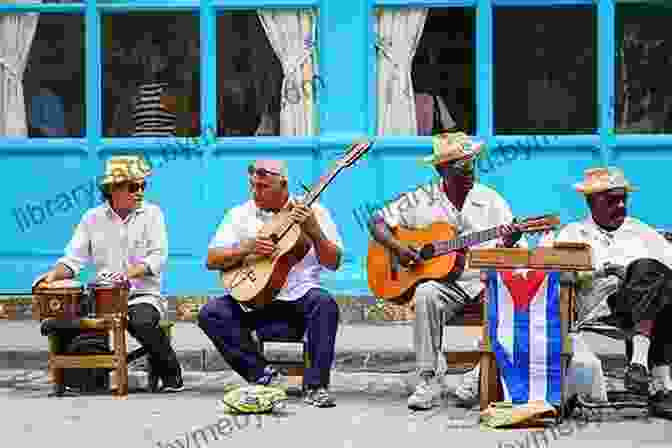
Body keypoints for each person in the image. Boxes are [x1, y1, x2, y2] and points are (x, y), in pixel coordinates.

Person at [367, 132, 524, 410]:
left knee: (514, 299)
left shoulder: (491, 201)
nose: (468, 171)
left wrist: (509, 242)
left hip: (482, 281)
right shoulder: (420, 198)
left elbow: (519, 254)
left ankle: (478, 376)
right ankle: (428, 379)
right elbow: (377, 221)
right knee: (425, 293)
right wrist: (398, 248)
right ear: (441, 169)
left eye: (471, 164)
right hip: (444, 284)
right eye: (460, 166)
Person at [199, 160, 343, 408]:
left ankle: (316, 386)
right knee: (211, 313)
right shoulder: (239, 214)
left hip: (300, 298)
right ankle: (264, 376)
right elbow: (212, 260)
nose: (256, 193)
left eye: (263, 187)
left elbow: (334, 262)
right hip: (255, 299)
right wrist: (247, 247)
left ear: (283, 185)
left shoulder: (315, 212)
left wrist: (314, 230)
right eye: (252, 186)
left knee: (325, 304)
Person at [34, 156, 184, 392]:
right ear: (113, 189)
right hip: (102, 298)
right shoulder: (91, 218)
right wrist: (52, 276)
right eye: (134, 187)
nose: (140, 192)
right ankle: (77, 378)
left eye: (144, 186)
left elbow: (158, 257)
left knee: (141, 321)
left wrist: (127, 274)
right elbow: (73, 260)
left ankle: (172, 374)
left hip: (142, 295)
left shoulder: (153, 214)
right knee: (63, 317)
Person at [543, 166, 672, 418]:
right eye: (612, 200)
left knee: (654, 276)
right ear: (591, 202)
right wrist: (603, 271)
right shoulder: (572, 234)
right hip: (600, 308)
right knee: (646, 271)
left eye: (624, 199)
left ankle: (642, 366)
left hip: (642, 307)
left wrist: (634, 275)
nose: (621, 206)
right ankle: (658, 383)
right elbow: (551, 274)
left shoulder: (643, 233)